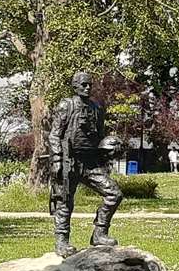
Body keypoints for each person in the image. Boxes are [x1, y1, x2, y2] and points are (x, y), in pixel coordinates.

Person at [47, 71, 124, 256]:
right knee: (65, 202)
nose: (87, 87)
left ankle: (99, 233)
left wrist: (110, 145)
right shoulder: (67, 105)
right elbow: (54, 135)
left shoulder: (97, 108)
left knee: (114, 194)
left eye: (89, 84)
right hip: (69, 161)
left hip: (90, 163)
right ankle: (62, 243)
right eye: (83, 85)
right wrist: (57, 158)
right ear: (74, 86)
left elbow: (98, 136)